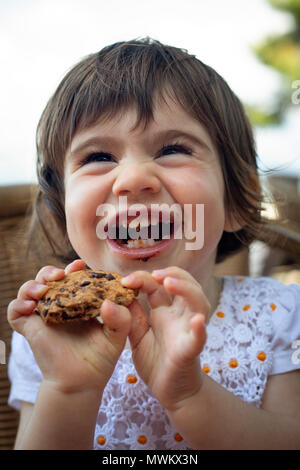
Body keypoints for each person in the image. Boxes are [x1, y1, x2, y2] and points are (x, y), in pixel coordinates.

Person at [7, 38, 300, 450]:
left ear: (238, 200)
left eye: (173, 149)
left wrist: (190, 396)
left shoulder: (282, 317)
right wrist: (67, 391)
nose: (132, 178)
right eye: (97, 157)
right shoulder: (48, 335)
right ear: (63, 215)